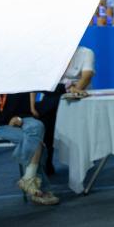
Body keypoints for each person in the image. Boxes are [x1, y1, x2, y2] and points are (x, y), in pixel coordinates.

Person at [0, 93, 58, 205]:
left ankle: (28, 178)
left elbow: (24, 106)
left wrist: (18, 118)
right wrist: (8, 118)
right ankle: (39, 188)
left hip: (19, 117)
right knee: (35, 141)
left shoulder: (17, 83)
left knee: (37, 126)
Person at [35, 45, 96, 174]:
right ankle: (46, 161)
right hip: (55, 92)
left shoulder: (86, 52)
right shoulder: (50, 53)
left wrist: (74, 91)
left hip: (77, 93)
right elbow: (43, 78)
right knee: (48, 113)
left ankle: (78, 160)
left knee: (48, 108)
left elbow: (87, 76)